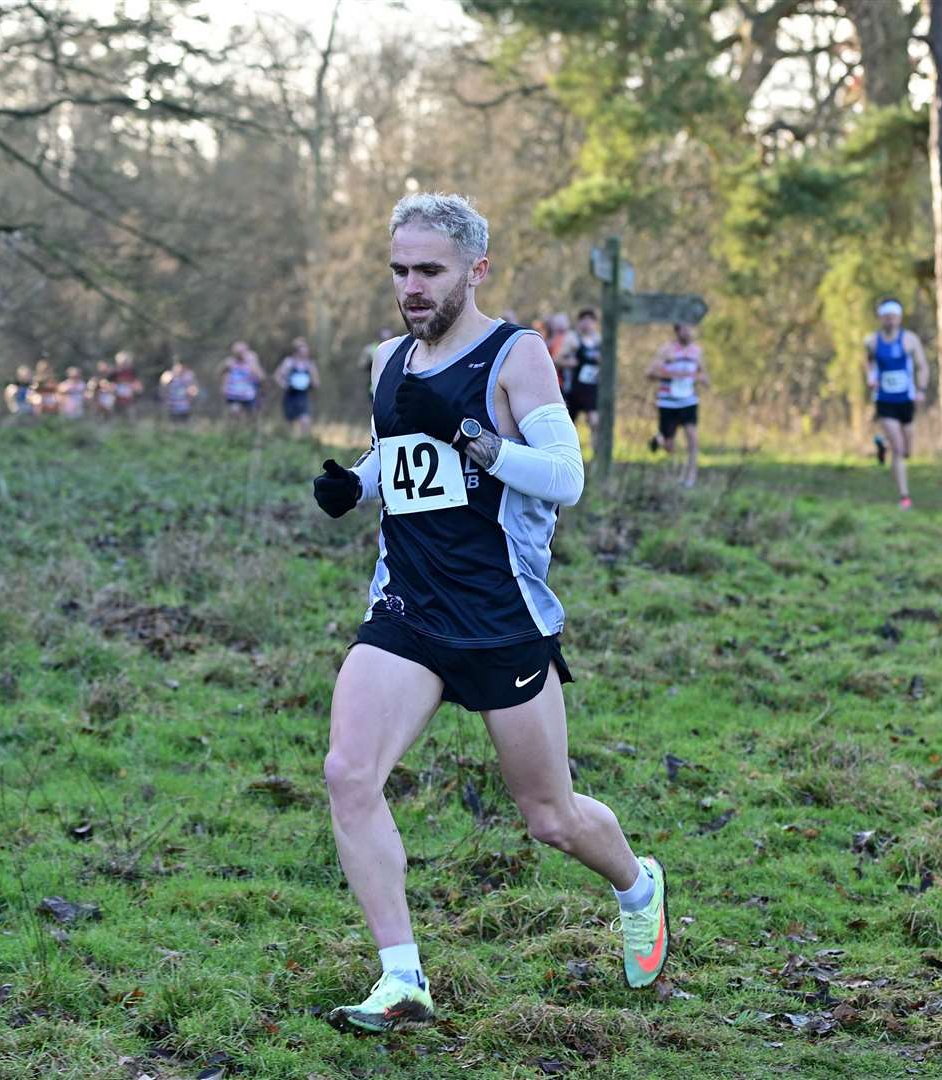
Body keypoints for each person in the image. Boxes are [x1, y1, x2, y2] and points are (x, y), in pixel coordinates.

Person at [311, 192, 668, 1034]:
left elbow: (566, 478)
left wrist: (474, 436)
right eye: (400, 270)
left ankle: (638, 885)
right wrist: (354, 486)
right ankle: (403, 979)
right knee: (347, 774)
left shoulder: (518, 356)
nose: (412, 287)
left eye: (430, 270)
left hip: (501, 617)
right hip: (406, 609)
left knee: (552, 819)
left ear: (476, 271)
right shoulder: (386, 360)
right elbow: (398, 457)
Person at [863, 298, 928, 509]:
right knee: (899, 451)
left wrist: (921, 390)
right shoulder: (872, 342)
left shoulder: (910, 340)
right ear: (881, 318)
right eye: (886, 317)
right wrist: (871, 378)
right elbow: (869, 363)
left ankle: (884, 445)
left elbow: (922, 366)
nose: (890, 320)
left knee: (907, 451)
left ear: (899, 318)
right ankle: (904, 497)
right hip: (885, 400)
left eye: (894, 317)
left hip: (906, 400)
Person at [647, 322, 709, 488]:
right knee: (668, 445)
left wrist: (701, 379)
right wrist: (670, 372)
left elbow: (704, 375)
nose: (689, 332)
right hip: (668, 401)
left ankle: (691, 476)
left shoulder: (697, 351)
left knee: (693, 438)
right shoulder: (666, 350)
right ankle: (659, 439)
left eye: (691, 328)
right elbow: (650, 373)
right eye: (685, 328)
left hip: (689, 401)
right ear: (677, 330)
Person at [558, 309, 601, 441]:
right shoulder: (572, 338)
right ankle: (570, 454)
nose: (587, 323)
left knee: (595, 421)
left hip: (592, 388)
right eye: (584, 320)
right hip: (573, 388)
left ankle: (598, 458)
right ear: (579, 322)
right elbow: (557, 359)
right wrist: (571, 363)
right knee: (569, 425)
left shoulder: (599, 340)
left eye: (590, 320)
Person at [274, 337, 320, 436]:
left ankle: (305, 440)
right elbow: (278, 376)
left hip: (303, 395)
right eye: (302, 351)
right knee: (289, 421)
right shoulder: (288, 362)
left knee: (305, 420)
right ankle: (291, 443)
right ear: (296, 351)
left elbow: (316, 382)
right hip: (290, 394)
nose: (305, 353)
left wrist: (312, 383)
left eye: (306, 351)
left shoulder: (310, 364)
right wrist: (284, 385)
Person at [220, 342, 263, 417]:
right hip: (233, 394)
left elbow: (261, 377)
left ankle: (245, 426)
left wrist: (253, 364)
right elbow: (222, 373)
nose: (240, 354)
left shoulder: (251, 362)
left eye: (242, 352)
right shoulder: (230, 362)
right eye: (237, 352)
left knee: (250, 415)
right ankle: (236, 426)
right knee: (235, 412)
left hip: (248, 394)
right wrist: (224, 386)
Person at [112, 351, 143, 416]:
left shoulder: (132, 371)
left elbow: (138, 385)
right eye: (122, 362)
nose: (124, 364)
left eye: (125, 362)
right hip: (116, 397)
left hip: (129, 397)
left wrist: (133, 387)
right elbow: (109, 383)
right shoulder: (114, 372)